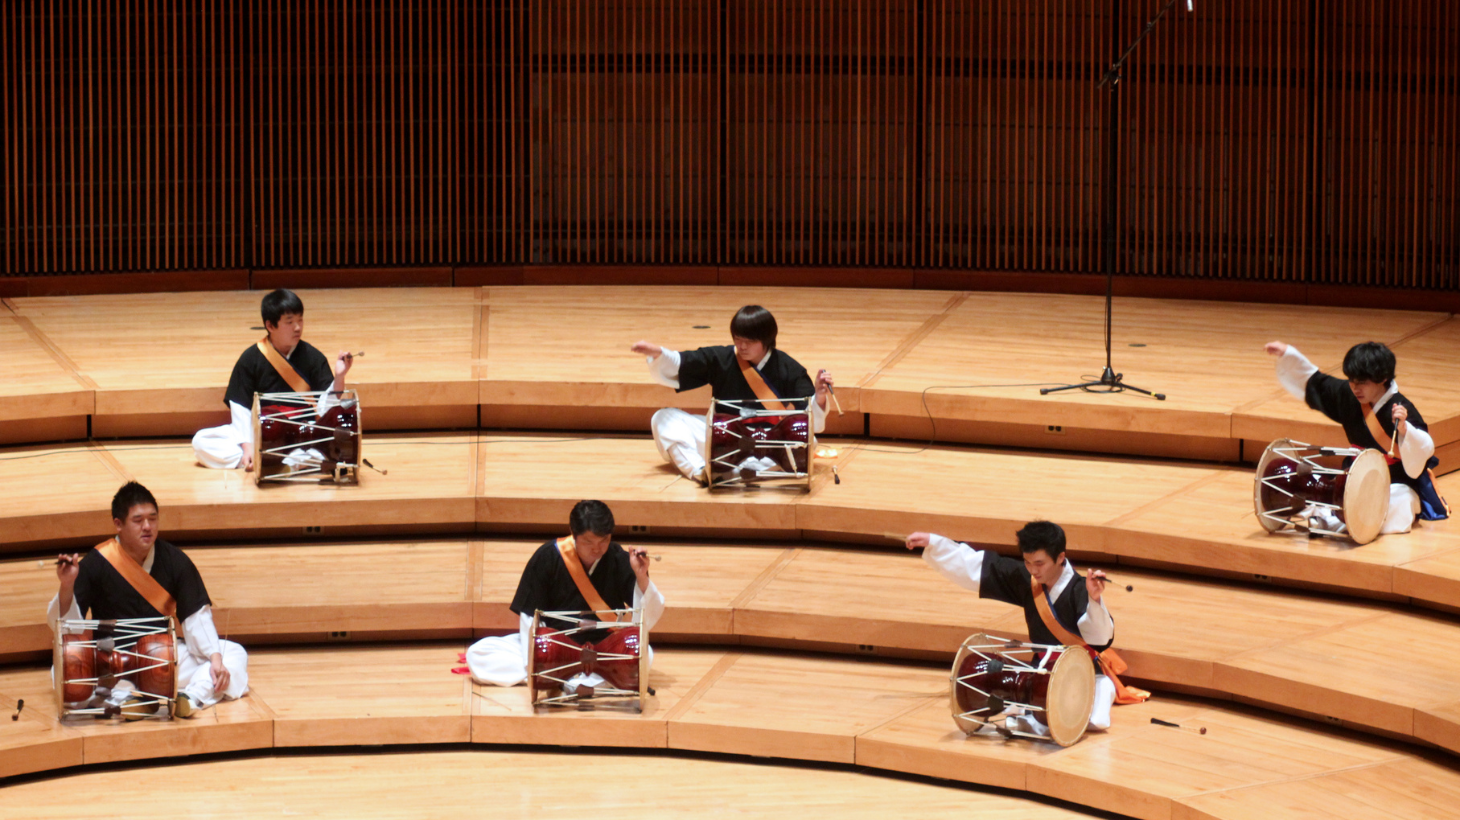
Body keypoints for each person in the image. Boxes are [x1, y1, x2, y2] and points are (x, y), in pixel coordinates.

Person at [904, 521, 1146, 739]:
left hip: (1081, 672)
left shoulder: (1079, 590)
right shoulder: (1028, 579)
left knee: (1091, 711)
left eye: (1039, 563)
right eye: (1027, 562)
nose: (1033, 570)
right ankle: (1034, 718)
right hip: (1039, 671)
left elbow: (1100, 639)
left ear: (1060, 557)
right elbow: (980, 567)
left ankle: (1039, 719)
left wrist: (1094, 600)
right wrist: (934, 544)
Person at [48, 482, 249, 718]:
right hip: (109, 663)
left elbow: (196, 618)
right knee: (62, 671)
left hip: (160, 661)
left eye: (153, 519)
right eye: (138, 520)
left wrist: (215, 659)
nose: (147, 527)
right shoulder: (97, 562)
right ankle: (141, 697)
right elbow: (69, 629)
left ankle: (189, 699)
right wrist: (67, 585)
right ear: (118, 524)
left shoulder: (175, 561)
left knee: (232, 654)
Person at [466, 500, 666, 689]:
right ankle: (583, 679)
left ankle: (563, 679)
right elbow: (529, 617)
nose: (597, 549)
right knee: (478, 654)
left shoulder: (618, 559)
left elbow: (644, 621)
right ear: (573, 533)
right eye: (588, 541)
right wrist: (535, 663)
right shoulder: (547, 557)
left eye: (604, 540)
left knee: (645, 654)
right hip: (556, 649)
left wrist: (641, 577)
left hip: (602, 649)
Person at [630, 305, 834, 482]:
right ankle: (700, 471)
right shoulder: (722, 358)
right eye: (738, 339)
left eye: (749, 341)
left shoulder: (788, 368)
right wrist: (659, 354)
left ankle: (731, 473)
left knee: (808, 441)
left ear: (766, 340)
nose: (742, 346)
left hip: (767, 446)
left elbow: (809, 423)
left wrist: (820, 397)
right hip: (722, 442)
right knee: (664, 418)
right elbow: (685, 362)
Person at [1266, 340, 1448, 534]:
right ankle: (1333, 519)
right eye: (1352, 380)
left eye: (1362, 382)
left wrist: (1405, 430)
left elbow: (1424, 450)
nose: (1355, 387)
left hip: (1395, 483)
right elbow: (1317, 383)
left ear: (1382, 378)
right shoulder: (1349, 394)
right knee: (1326, 489)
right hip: (1355, 478)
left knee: (1400, 503)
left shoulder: (1401, 409)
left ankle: (1331, 522)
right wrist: (1288, 355)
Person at [192, 288, 355, 470]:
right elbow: (240, 408)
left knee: (324, 447)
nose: (297, 328)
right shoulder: (250, 358)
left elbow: (326, 409)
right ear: (270, 326)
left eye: (300, 320)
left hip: (300, 435)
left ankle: (268, 463)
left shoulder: (313, 357)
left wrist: (340, 376)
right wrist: (248, 447)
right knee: (201, 442)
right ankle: (264, 461)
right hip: (264, 434)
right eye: (290, 322)